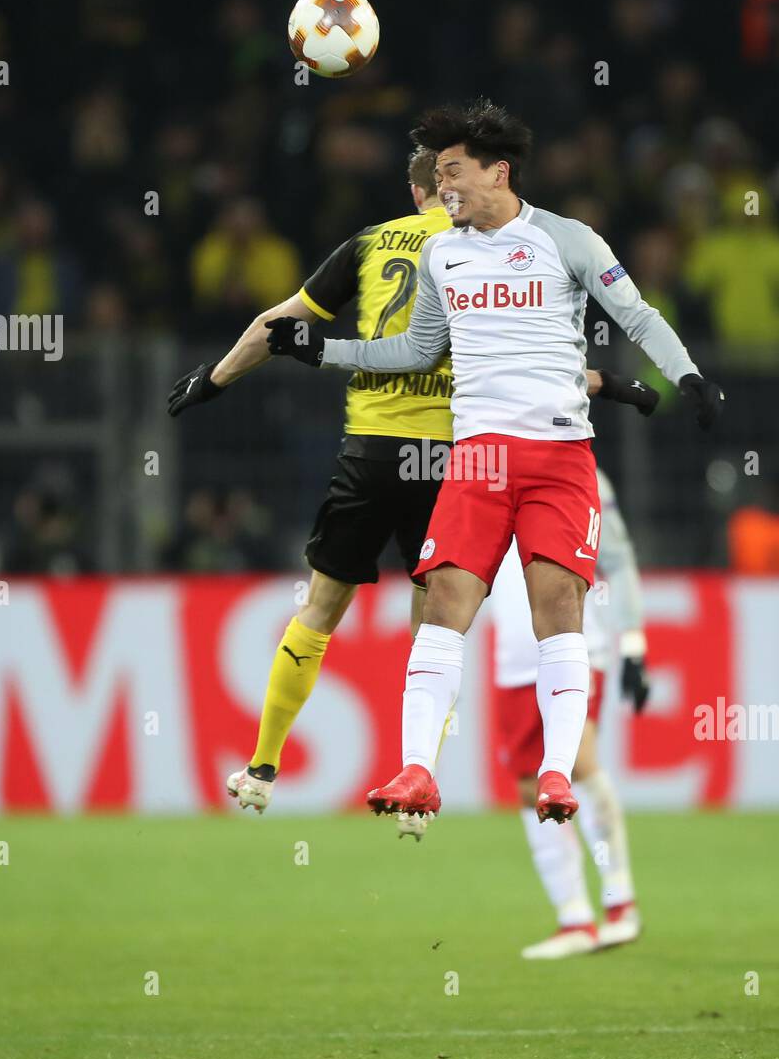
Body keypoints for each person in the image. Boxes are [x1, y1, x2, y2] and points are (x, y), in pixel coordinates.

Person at [268, 98, 722, 825]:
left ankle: (556, 775)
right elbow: (415, 352)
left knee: (558, 610)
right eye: (437, 173)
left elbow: (635, 314)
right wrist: (325, 350)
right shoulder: (440, 253)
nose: (440, 187)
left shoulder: (569, 240)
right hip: (477, 460)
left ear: (498, 171)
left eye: (452, 172)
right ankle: (417, 771)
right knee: (444, 605)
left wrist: (688, 375)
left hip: (559, 455)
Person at [169, 149, 655, 813]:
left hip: (371, 453)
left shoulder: (367, 245)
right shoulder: (481, 247)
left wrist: (215, 378)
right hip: (453, 461)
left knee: (319, 610)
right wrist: (615, 385)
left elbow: (277, 324)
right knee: (438, 622)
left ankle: (262, 764)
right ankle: (421, 771)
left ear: (411, 189)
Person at [491, 468, 648, 958]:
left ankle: (619, 902)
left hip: (580, 640)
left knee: (577, 764)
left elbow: (617, 560)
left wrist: (635, 643)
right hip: (514, 654)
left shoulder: (582, 471)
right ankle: (574, 917)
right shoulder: (478, 467)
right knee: (525, 785)